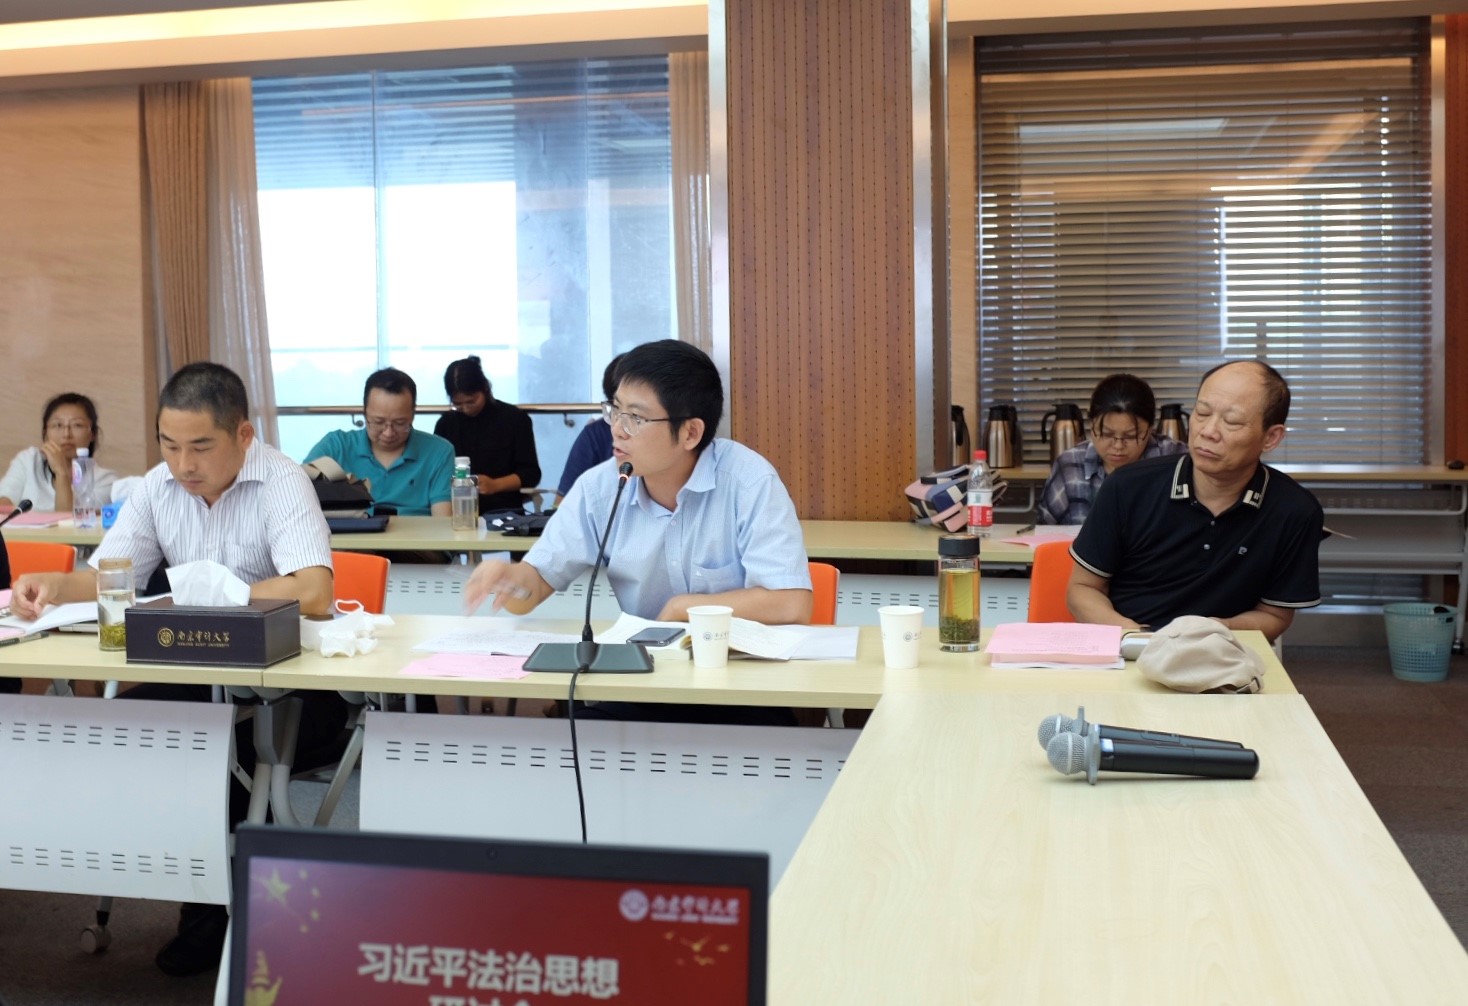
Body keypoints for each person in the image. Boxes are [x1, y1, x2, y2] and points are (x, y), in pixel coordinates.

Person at [9, 362, 341, 977]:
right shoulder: (158, 487)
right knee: (119, 731)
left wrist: (217, 593)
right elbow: (111, 576)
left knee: (212, 755)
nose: (183, 464)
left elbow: (315, 591)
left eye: (201, 447)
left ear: (243, 435)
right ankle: (172, 878)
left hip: (286, 684)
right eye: (169, 444)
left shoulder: (282, 480)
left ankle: (216, 917)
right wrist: (50, 584)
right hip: (199, 673)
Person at [465, 340, 812, 724]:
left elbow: (791, 603)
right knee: (580, 737)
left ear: (690, 433)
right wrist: (511, 579)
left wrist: (685, 608)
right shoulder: (599, 488)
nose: (616, 429)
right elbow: (530, 593)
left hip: (741, 685)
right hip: (646, 678)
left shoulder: (748, 481)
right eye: (614, 410)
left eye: (636, 418)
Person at [1067, 360, 1324, 642]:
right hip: (1129, 646)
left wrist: (1214, 630)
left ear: (1271, 437)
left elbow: (1275, 615)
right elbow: (1083, 589)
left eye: (1231, 421)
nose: (1208, 431)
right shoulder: (1127, 487)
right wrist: (1138, 639)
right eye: (1202, 413)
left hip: (1225, 650)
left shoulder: (1294, 511)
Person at [304, 368, 456, 517]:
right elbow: (299, 492)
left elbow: (442, 523)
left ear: (412, 415)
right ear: (364, 413)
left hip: (416, 533)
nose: (388, 432)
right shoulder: (336, 446)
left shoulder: (439, 452)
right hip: (349, 533)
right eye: (378, 422)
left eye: (400, 423)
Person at [1037, 374, 1186, 525]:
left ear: (1150, 429)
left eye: (1131, 436)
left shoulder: (1175, 460)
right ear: (1091, 424)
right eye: (1107, 434)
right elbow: (1045, 531)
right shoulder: (1069, 466)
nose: (1118, 446)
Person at [433, 355, 542, 514]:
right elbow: (435, 473)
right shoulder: (446, 424)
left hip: (503, 510)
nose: (466, 409)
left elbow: (530, 474)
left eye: (471, 401)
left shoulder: (515, 419)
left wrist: (495, 485)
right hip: (455, 510)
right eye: (458, 404)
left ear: (485, 387)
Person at [0, 393, 120, 512]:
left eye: (77, 425)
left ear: (92, 434)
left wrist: (61, 472)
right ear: (45, 433)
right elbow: (3, 503)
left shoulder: (106, 480)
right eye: (58, 425)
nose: (66, 434)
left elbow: (67, 521)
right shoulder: (29, 460)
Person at [555, 354, 622, 505]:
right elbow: (562, 504)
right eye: (617, 410)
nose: (620, 430)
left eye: (636, 412)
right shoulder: (595, 435)